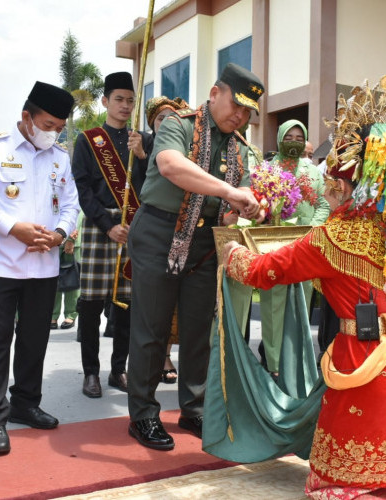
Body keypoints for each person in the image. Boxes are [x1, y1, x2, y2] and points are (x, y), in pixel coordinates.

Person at [222, 77, 386, 496]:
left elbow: (262, 272)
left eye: (330, 187)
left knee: (332, 484)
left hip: (361, 364)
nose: (328, 196)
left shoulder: (334, 237)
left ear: (347, 187)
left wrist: (233, 252)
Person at [126, 63, 264, 451]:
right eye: (235, 105)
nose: (239, 115)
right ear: (214, 93)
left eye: (247, 112)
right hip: (159, 234)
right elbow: (170, 164)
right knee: (151, 331)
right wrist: (230, 192)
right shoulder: (178, 124)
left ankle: (194, 406)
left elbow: (244, 194)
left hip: (205, 245)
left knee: (198, 329)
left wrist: (251, 206)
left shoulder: (240, 148)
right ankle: (143, 414)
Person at [0, 81, 79, 455]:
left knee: (34, 341)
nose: (53, 132)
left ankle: (26, 403)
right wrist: (14, 227)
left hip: (43, 267)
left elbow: (70, 205)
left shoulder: (60, 157)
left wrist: (60, 234)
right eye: (47, 124)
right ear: (26, 117)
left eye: (59, 127)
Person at [72, 72, 153, 399]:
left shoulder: (142, 141)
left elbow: (152, 187)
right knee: (91, 304)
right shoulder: (88, 139)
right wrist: (108, 226)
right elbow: (82, 187)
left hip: (133, 225)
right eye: (118, 99)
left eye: (130, 101)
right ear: (105, 101)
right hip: (98, 225)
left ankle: (118, 369)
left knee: (127, 305)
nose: (124, 106)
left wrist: (143, 157)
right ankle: (90, 371)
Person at [259, 119, 329, 379]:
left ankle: (298, 360)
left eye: (301, 138)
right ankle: (273, 363)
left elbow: (323, 204)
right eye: (290, 137)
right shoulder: (268, 169)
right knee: (273, 304)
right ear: (279, 138)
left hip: (306, 247)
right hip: (275, 247)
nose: (295, 142)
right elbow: (257, 204)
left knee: (301, 302)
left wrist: (310, 229)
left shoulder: (312, 172)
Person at [144, 95, 191, 384]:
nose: (167, 123)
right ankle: (153, 358)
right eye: (160, 119)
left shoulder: (185, 146)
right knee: (152, 304)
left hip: (181, 231)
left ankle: (169, 354)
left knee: (176, 302)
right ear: (152, 124)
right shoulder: (143, 147)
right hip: (148, 231)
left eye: (171, 118)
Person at [51, 213, 82, 330]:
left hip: (71, 240)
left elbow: (78, 213)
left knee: (71, 278)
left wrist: (70, 238)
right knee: (53, 279)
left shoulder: (74, 193)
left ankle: (71, 313)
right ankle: (53, 314)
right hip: (52, 239)